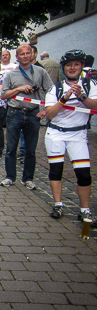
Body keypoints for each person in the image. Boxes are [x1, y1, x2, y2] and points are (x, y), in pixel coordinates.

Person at [44, 49, 97, 225]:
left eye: (76, 64)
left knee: (83, 174)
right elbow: (50, 114)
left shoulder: (90, 85)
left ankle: (84, 210)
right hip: (56, 133)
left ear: (82, 66)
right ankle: (58, 204)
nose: (72, 68)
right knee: (56, 170)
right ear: (63, 68)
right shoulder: (56, 88)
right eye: (69, 65)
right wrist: (65, 98)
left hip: (78, 134)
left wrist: (81, 96)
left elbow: (95, 106)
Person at [0, 44, 53, 189]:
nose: (25, 56)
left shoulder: (41, 72)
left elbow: (51, 91)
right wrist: (18, 89)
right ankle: (10, 177)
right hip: (15, 112)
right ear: (17, 57)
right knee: (11, 147)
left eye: (27, 53)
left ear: (32, 55)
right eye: (22, 54)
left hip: (33, 113)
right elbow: (4, 95)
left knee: (30, 149)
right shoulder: (11, 74)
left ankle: (28, 178)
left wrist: (45, 110)